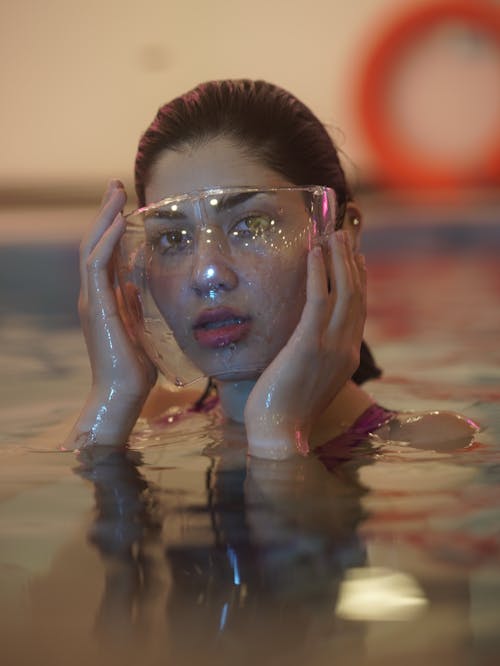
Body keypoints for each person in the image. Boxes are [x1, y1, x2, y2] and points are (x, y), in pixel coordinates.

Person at [64, 79, 479, 460]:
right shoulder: (148, 419)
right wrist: (113, 397)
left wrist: (278, 431)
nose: (207, 274)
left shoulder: (433, 446)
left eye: (252, 225)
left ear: (342, 232)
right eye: (173, 239)